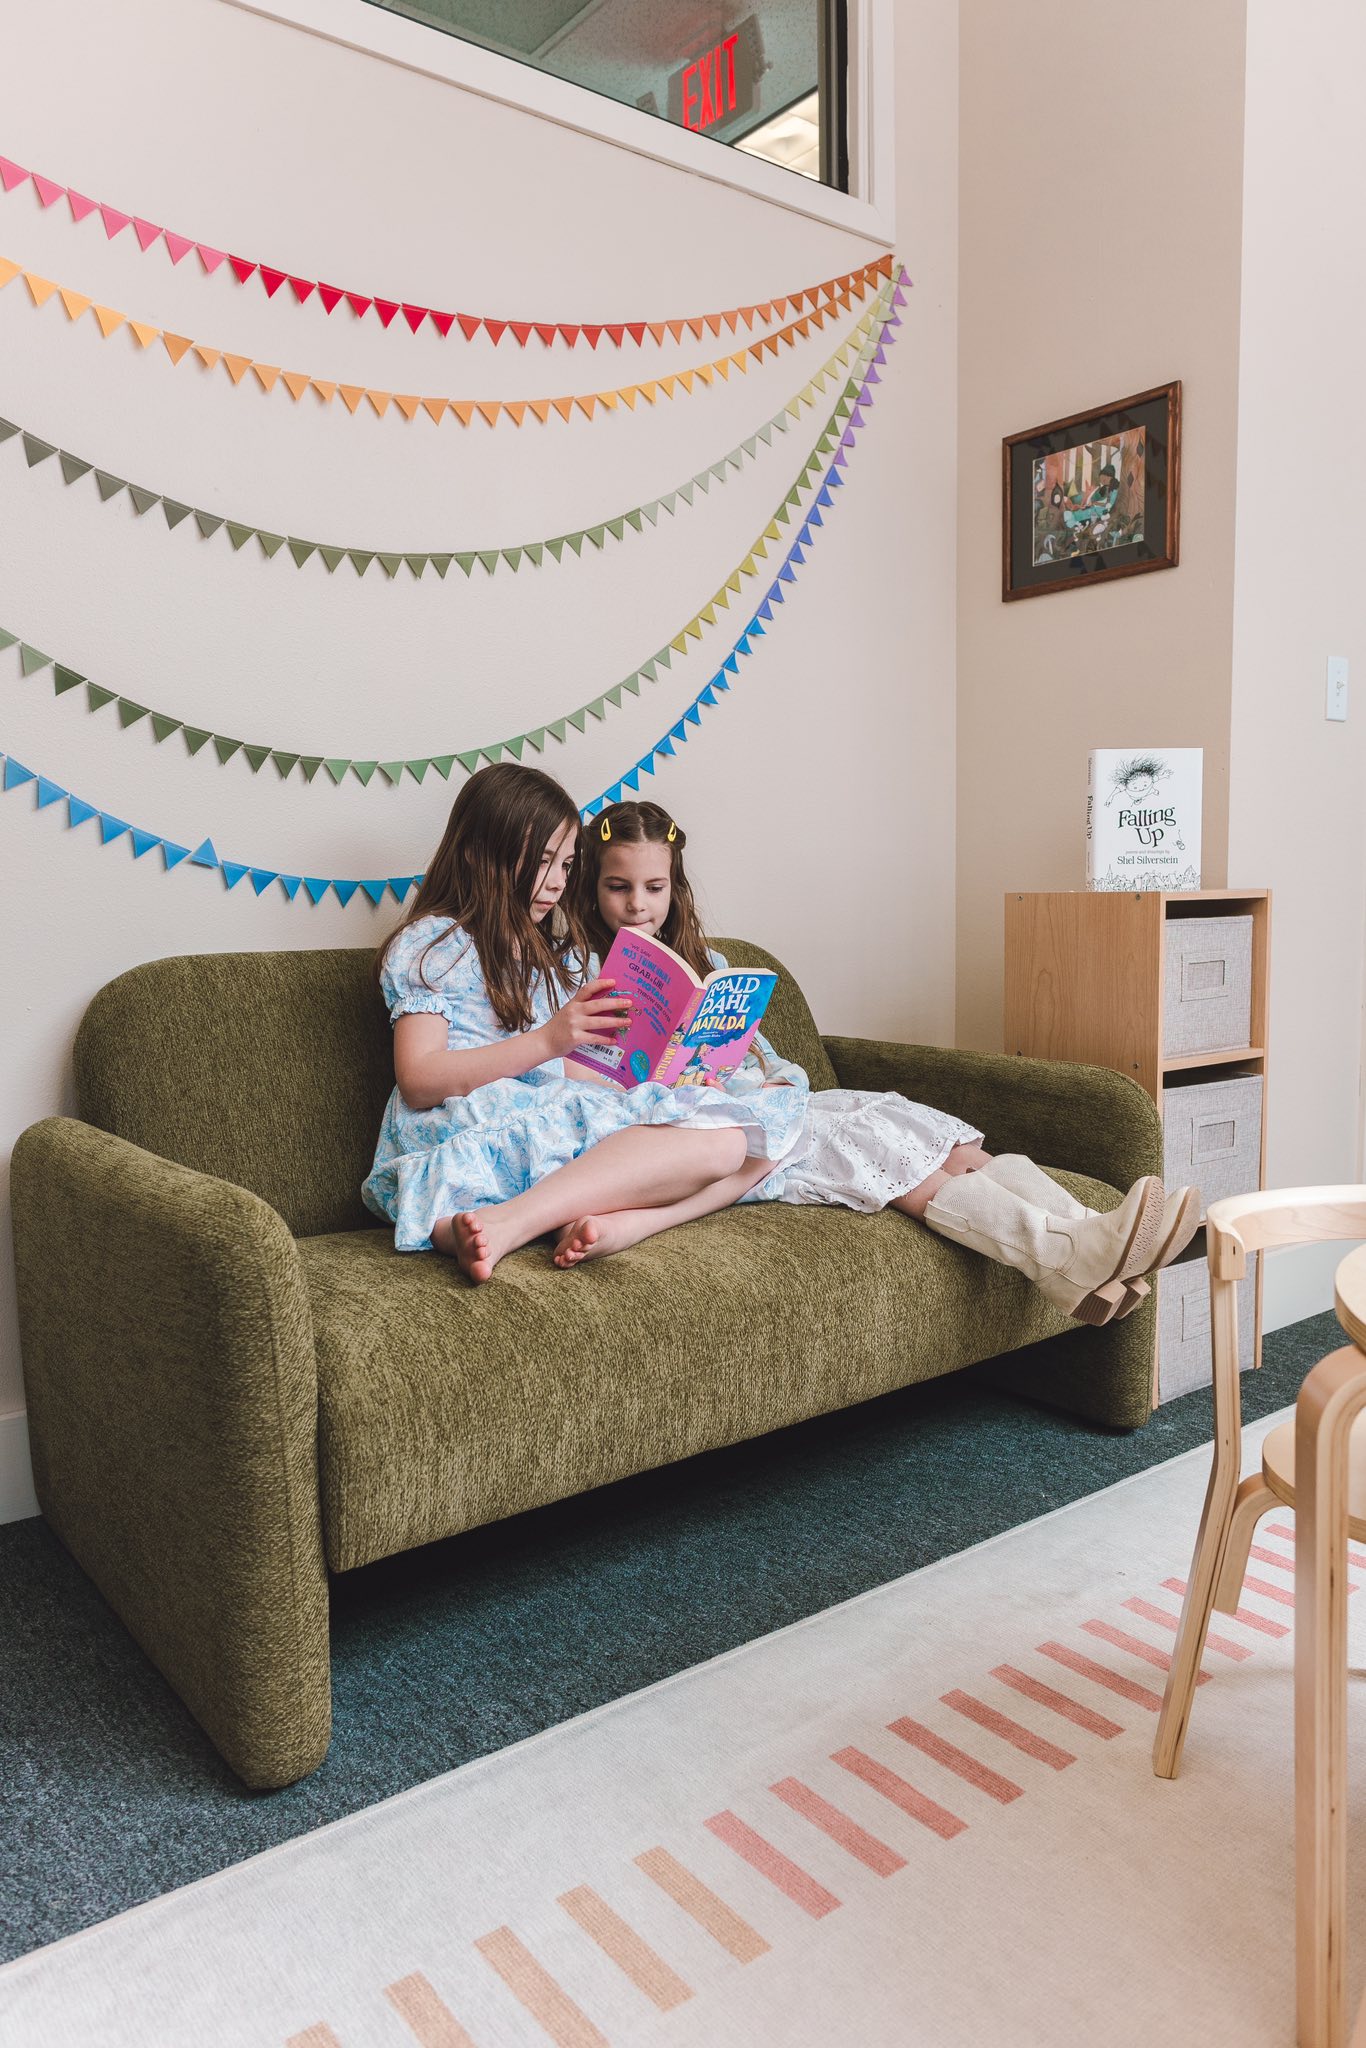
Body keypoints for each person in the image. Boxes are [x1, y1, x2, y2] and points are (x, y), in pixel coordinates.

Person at [557, 800, 1201, 1325]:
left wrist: (778, 1074)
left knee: (911, 1122)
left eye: (653, 887)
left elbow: (761, 1053)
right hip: (707, 1134)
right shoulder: (581, 977)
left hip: (770, 1105)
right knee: (875, 1148)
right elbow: (592, 1083)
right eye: (618, 888)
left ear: (676, 888)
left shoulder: (710, 966)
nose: (637, 905)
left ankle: (1090, 1234)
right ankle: (1064, 1258)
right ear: (592, 888)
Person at [361, 764, 809, 1281]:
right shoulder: (433, 945)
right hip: (464, 1118)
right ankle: (498, 1223)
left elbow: (574, 1075)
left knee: (735, 1141)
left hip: (545, 1115)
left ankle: (514, 1220)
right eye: (543, 861)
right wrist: (551, 1040)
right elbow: (418, 1081)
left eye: (567, 865)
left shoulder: (543, 954)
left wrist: (672, 1079)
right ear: (478, 852)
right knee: (725, 1142)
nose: (556, 882)